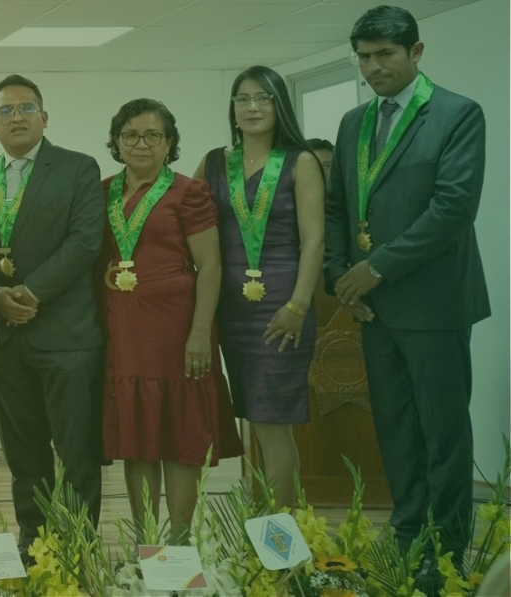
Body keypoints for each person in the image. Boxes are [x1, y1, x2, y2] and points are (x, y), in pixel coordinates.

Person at [324, 5, 487, 568]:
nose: (373, 67)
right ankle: (407, 540)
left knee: (442, 434)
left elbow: (453, 207)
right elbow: (338, 208)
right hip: (374, 309)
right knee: (394, 431)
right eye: (364, 57)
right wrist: (342, 281)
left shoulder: (457, 114)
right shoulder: (354, 123)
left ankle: (447, 553)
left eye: (384, 55)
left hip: (435, 305)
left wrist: (376, 268)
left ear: (416, 52)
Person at [0, 75, 107, 549]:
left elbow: (85, 241)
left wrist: (31, 292)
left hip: (66, 338)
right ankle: (36, 548)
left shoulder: (77, 168)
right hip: (6, 340)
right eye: (6, 111)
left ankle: (78, 550)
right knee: (24, 458)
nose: (17, 117)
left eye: (26, 108)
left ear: (44, 118)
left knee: (76, 455)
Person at [98, 98, 241, 537]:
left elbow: (210, 266)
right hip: (124, 330)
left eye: (152, 135)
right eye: (130, 135)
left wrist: (200, 332)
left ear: (169, 142)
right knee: (138, 439)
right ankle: (146, 545)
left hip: (177, 329)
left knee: (180, 436)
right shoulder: (102, 191)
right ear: (117, 142)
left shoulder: (188, 192)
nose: (140, 144)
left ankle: (178, 542)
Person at [192, 66, 326, 509]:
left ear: (279, 105)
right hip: (230, 310)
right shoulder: (214, 163)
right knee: (252, 415)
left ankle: (280, 533)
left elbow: (314, 241)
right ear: (232, 109)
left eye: (263, 98)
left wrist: (298, 306)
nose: (252, 107)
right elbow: (187, 222)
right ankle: (262, 522)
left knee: (272, 422)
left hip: (282, 308)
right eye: (242, 99)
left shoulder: (300, 162)